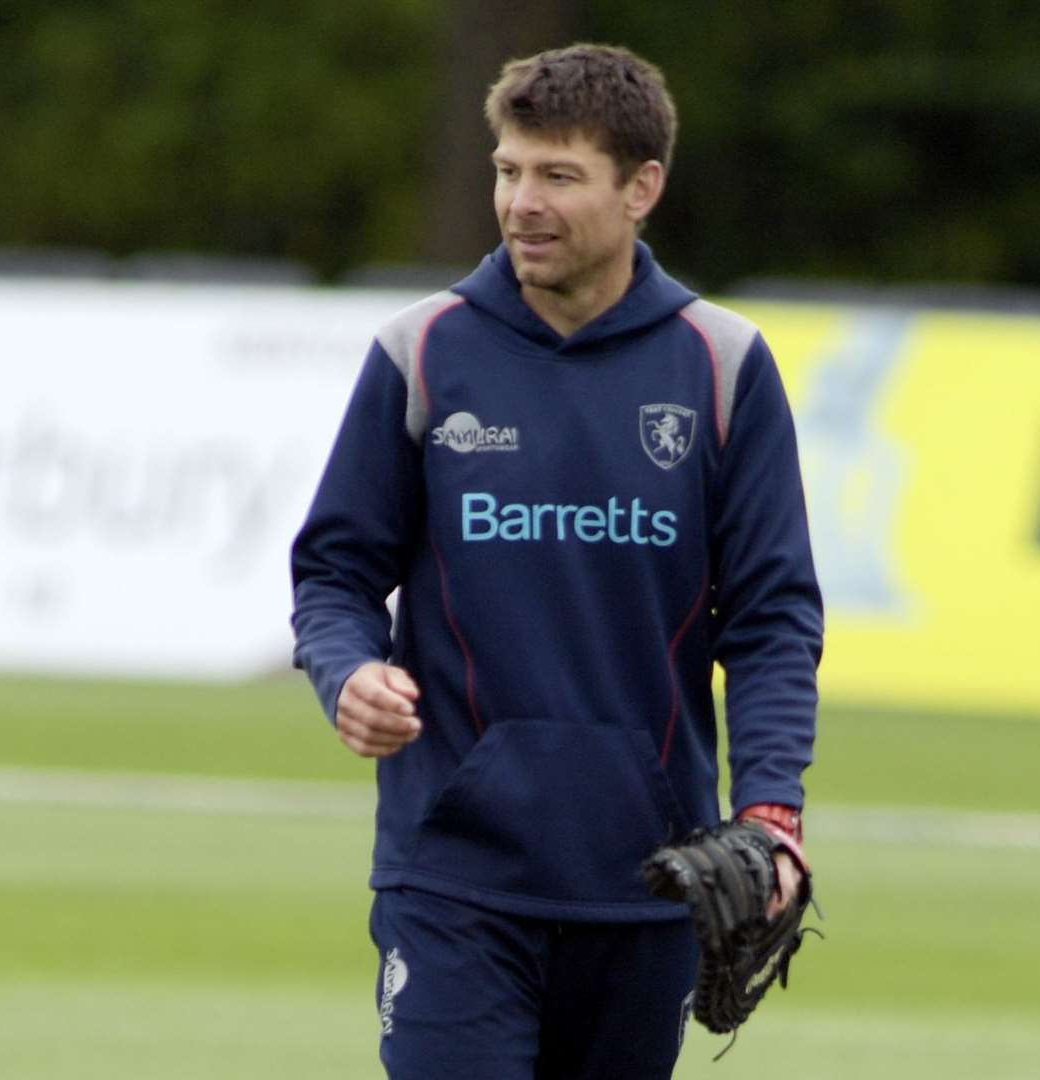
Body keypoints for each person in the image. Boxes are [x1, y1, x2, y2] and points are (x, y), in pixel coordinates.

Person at [290, 42, 822, 1080]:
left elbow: (770, 620)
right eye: (507, 170)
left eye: (557, 176)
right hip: (453, 874)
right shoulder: (423, 352)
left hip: (649, 880)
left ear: (641, 189)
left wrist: (772, 811)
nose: (521, 202)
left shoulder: (721, 367)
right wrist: (347, 671)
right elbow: (336, 572)